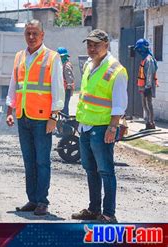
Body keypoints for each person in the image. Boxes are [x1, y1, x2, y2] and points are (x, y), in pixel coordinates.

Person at [6, 20, 64, 216]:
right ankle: (32, 199)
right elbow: (14, 84)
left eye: (35, 34)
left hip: (42, 119)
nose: (31, 37)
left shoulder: (52, 57)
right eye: (28, 33)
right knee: (28, 161)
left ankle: (42, 201)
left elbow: (58, 89)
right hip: (23, 116)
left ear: (42, 35)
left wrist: (54, 116)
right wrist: (9, 109)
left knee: (42, 161)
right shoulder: (19, 57)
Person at [71, 29, 128, 223]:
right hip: (86, 126)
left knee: (105, 171)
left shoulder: (116, 69)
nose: (91, 48)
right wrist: (79, 123)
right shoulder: (88, 64)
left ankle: (108, 214)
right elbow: (86, 97)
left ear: (106, 45)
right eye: (89, 44)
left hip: (103, 128)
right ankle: (94, 209)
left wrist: (113, 128)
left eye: (96, 44)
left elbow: (120, 103)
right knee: (90, 170)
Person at [135, 38, 159, 130]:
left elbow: (149, 74)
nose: (138, 51)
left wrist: (147, 87)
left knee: (148, 104)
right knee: (144, 104)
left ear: (143, 48)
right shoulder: (145, 58)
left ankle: (151, 123)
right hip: (143, 86)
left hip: (146, 86)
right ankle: (148, 122)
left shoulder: (149, 59)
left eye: (139, 49)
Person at [57, 47, 75, 116]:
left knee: (64, 108)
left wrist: (68, 87)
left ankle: (65, 122)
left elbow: (70, 79)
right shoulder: (61, 64)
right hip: (63, 89)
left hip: (66, 89)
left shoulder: (66, 65)